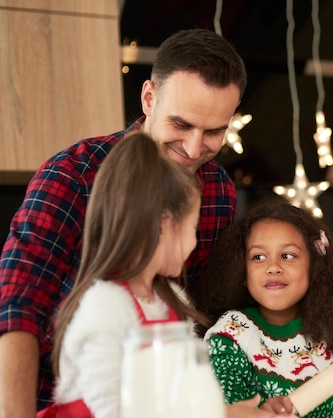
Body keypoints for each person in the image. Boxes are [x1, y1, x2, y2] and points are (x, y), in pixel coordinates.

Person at [0, 28, 269, 418]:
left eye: (214, 131)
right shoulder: (73, 176)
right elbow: (17, 308)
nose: (195, 149)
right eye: (181, 124)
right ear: (148, 98)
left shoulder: (218, 193)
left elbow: (199, 320)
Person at [36, 132, 208, 417]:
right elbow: (110, 409)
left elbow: (189, 390)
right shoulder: (105, 307)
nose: (195, 242)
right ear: (163, 227)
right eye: (193, 228)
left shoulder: (174, 301)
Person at [195, 197, 333, 418]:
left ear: (314, 267)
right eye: (258, 257)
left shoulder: (328, 322)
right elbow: (225, 410)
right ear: (242, 272)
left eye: (287, 256)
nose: (273, 267)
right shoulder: (231, 336)